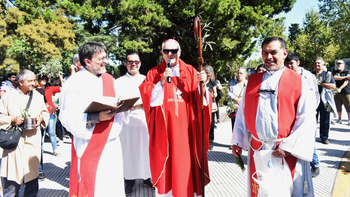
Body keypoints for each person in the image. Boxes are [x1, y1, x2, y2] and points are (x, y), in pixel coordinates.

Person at [231, 37, 316, 197]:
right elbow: (242, 113)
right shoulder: (253, 81)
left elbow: (307, 118)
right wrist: (238, 139)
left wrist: (289, 147)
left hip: (283, 151)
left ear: (285, 53)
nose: (268, 57)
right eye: (265, 52)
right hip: (258, 149)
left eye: (273, 52)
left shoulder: (299, 82)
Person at [139, 39, 211, 197]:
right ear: (162, 53)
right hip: (165, 133)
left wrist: (203, 86)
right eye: (166, 51)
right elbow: (146, 96)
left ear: (180, 52)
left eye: (173, 51)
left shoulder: (192, 71)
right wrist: (161, 83)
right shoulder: (154, 73)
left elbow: (202, 102)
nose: (170, 54)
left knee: (187, 165)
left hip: (187, 132)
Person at [59, 41, 126, 197]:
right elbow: (67, 117)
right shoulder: (74, 83)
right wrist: (97, 117)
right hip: (89, 143)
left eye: (105, 57)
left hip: (112, 144)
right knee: (94, 189)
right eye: (100, 59)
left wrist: (124, 106)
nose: (105, 61)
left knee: (112, 188)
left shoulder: (109, 79)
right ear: (87, 62)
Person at [0, 69, 49, 196]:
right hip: (14, 143)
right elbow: (0, 117)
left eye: (34, 80)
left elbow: (45, 112)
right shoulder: (8, 97)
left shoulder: (38, 96)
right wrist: (12, 119)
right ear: (20, 82)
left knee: (31, 177)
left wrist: (41, 119)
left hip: (32, 142)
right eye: (30, 81)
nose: (33, 83)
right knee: (12, 179)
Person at [115, 52, 152, 195]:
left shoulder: (147, 80)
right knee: (128, 151)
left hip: (145, 121)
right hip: (127, 121)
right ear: (126, 64)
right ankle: (128, 180)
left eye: (136, 62)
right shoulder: (118, 82)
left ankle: (147, 177)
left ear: (140, 63)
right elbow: (115, 101)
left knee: (145, 150)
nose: (133, 64)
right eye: (130, 62)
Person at [285, 52, 321, 177]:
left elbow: (314, 96)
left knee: (307, 139)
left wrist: (309, 112)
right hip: (291, 115)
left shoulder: (308, 76)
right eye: (287, 64)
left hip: (307, 114)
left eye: (291, 63)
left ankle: (315, 164)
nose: (289, 66)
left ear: (298, 62)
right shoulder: (286, 76)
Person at [312, 57, 336, 144]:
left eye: (318, 63)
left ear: (323, 65)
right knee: (312, 119)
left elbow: (333, 86)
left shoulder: (327, 74)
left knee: (325, 119)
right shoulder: (311, 74)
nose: (317, 65)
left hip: (324, 100)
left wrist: (321, 83)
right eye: (315, 63)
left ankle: (324, 137)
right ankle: (311, 136)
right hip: (313, 100)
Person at [332, 60, 350, 125]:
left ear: (343, 64)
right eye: (337, 64)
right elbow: (334, 78)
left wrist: (340, 88)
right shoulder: (335, 72)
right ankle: (339, 119)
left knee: (348, 106)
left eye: (340, 64)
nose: (338, 65)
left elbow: (346, 81)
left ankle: (349, 120)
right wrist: (345, 77)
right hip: (337, 92)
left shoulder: (347, 71)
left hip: (346, 91)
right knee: (338, 106)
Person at [204, 65, 217, 150]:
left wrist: (210, 95)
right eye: (207, 75)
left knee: (211, 123)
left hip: (210, 105)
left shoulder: (212, 82)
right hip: (202, 104)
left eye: (209, 75)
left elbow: (215, 93)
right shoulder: (200, 81)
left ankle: (210, 141)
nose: (208, 77)